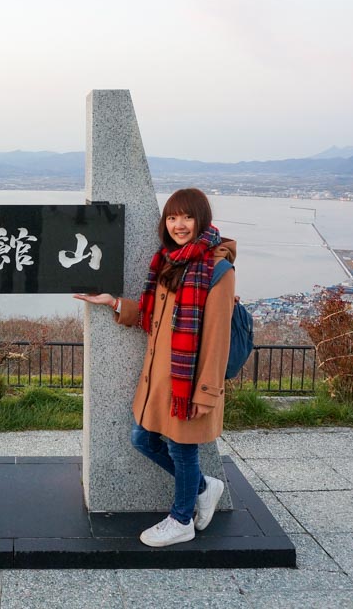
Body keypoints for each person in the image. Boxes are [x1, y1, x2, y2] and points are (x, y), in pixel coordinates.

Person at [74, 188, 236, 547]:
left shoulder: (217, 270)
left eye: (187, 217)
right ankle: (205, 487)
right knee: (142, 438)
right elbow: (151, 317)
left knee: (182, 448)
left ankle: (181, 520)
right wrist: (112, 302)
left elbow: (216, 340)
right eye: (173, 217)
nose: (179, 225)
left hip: (188, 382)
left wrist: (205, 393)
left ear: (201, 220)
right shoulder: (168, 260)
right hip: (159, 379)